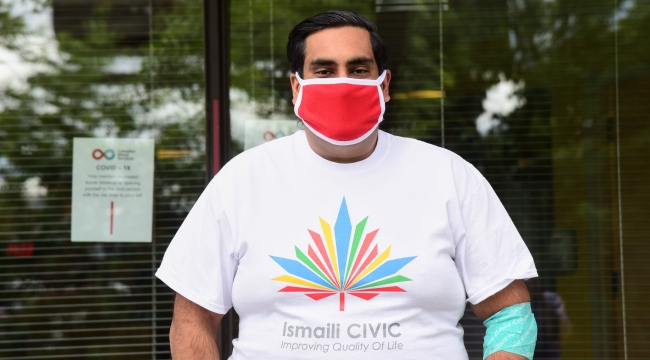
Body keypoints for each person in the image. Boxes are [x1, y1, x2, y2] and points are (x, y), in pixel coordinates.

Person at [156, 10, 538, 360]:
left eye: (358, 69)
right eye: (324, 71)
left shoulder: (449, 177)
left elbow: (511, 317)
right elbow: (192, 320)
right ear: (296, 87)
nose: (342, 82)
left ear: (384, 84)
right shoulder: (242, 181)